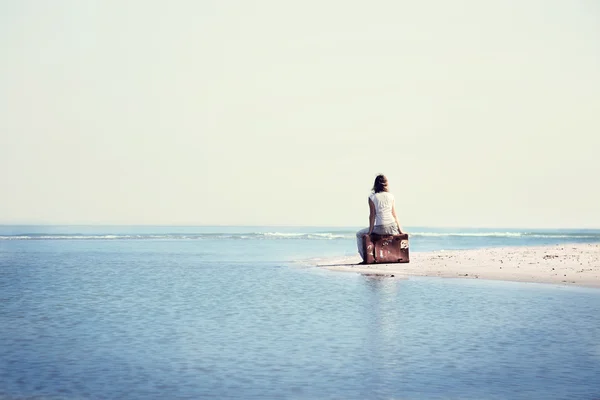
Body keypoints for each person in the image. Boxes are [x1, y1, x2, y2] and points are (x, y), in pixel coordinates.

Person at [356, 174, 403, 261]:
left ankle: (365, 259)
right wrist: (400, 231)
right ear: (386, 184)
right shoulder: (391, 196)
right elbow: (394, 215)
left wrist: (370, 231)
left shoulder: (372, 197)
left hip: (380, 228)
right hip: (392, 227)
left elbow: (372, 215)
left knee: (359, 234)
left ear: (375, 184)